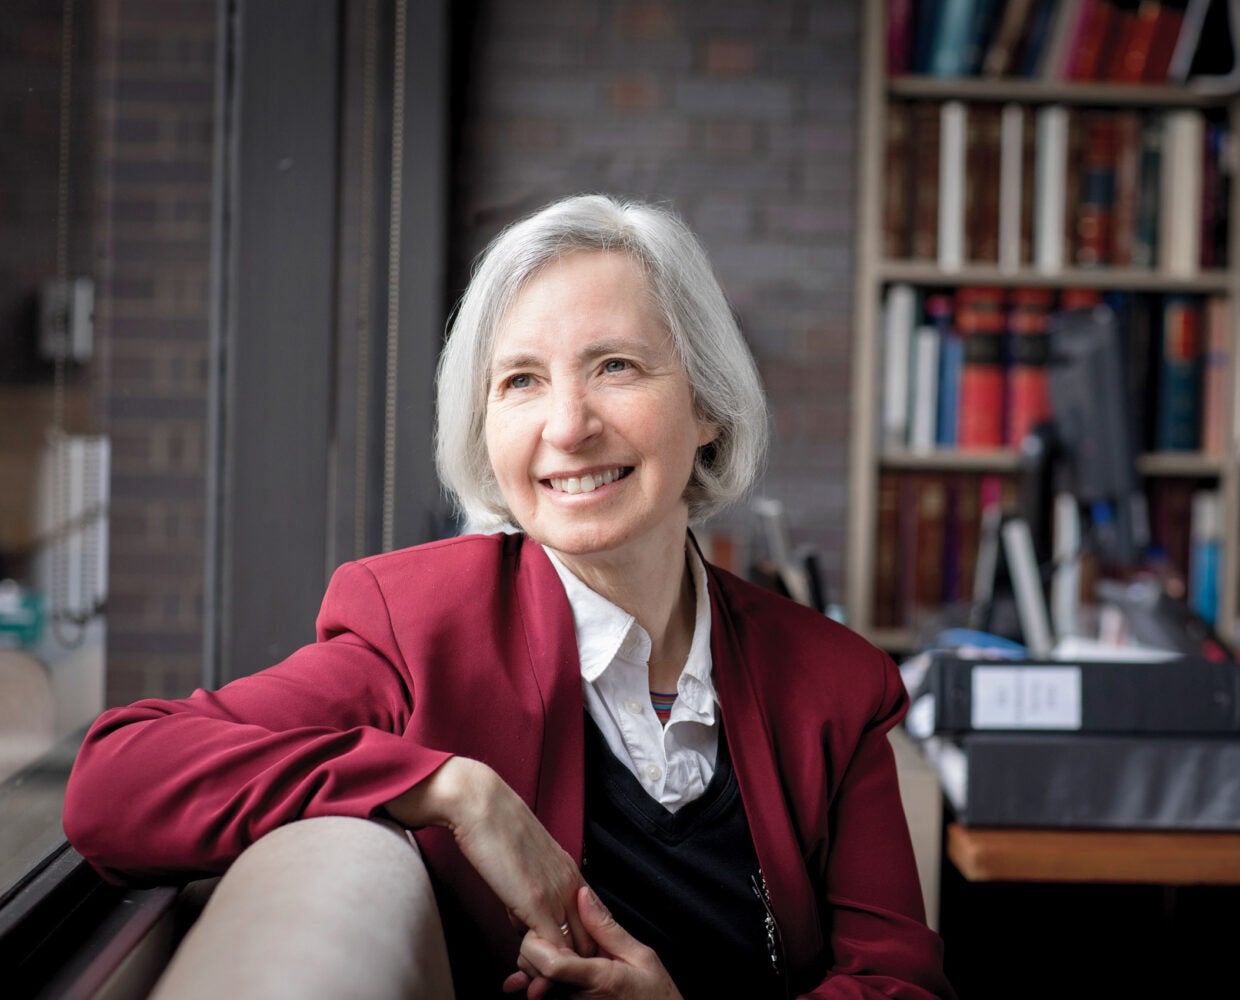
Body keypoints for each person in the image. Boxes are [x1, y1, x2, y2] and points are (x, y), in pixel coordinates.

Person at [63, 195, 954, 999]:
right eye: (521, 380)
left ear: (709, 405)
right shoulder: (420, 628)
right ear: (486, 430)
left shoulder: (836, 684)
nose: (567, 426)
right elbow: (116, 784)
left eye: (615, 366)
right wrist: (451, 788)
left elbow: (902, 988)